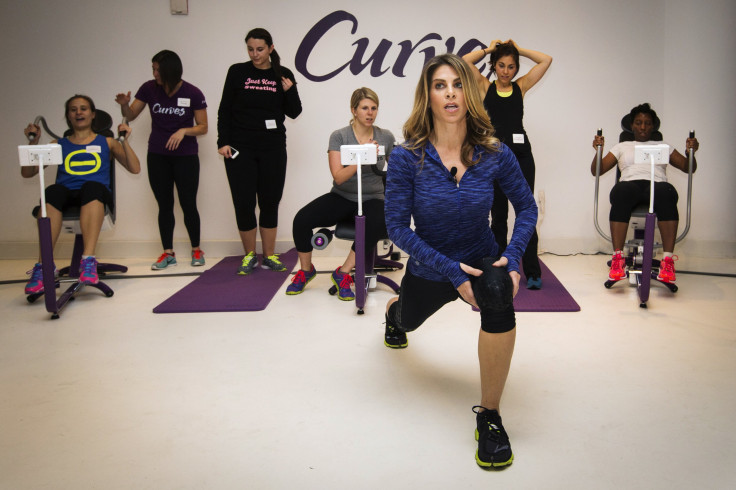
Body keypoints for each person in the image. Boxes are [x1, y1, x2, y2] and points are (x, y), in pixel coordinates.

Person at [383, 54, 537, 468]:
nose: (450, 92)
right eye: (439, 85)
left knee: (499, 292)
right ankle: (393, 314)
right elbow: (397, 228)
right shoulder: (406, 157)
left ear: (469, 93)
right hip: (431, 267)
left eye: (457, 84)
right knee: (407, 320)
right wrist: (452, 272)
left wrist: (512, 258)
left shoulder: (494, 153)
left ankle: (489, 416)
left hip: (481, 255)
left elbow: (527, 208)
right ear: (427, 96)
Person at [22, 94, 141, 293]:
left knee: (92, 187)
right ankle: (43, 267)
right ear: (68, 116)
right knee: (52, 191)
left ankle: (88, 261)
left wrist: (125, 141)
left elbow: (135, 168)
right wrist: (33, 143)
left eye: (84, 108)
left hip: (94, 194)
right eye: (73, 109)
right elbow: (27, 173)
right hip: (66, 195)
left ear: (93, 114)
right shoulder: (57, 144)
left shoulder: (108, 142)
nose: (79, 112)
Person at [285, 87, 394, 300]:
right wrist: (363, 155)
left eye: (373, 108)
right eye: (364, 108)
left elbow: (396, 172)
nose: (370, 113)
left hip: (373, 197)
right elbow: (338, 177)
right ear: (354, 110)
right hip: (343, 195)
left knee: (377, 223)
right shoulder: (339, 136)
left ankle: (342, 272)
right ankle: (306, 271)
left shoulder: (385, 137)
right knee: (302, 219)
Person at [463, 39, 551, 289]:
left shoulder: (520, 87)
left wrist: (517, 49)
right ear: (494, 66)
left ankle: (532, 271)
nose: (506, 71)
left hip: (522, 157)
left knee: (526, 213)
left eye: (511, 66)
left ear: (516, 69)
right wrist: (491, 49)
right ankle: (499, 269)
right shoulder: (484, 87)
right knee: (498, 216)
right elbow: (465, 61)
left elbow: (546, 60)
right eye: (501, 65)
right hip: (493, 158)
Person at [217, 28, 303, 275]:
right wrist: (223, 142)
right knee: (243, 203)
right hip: (239, 148)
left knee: (269, 203)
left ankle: (270, 255)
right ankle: (249, 256)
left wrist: (290, 90)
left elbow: (295, 112)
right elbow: (225, 109)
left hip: (272, 148)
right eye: (250, 49)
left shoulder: (283, 74)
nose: (255, 54)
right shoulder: (237, 72)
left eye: (260, 49)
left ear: (271, 48)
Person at [115, 50, 208, 270]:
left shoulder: (192, 92)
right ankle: (168, 253)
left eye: (158, 69)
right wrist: (123, 105)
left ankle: (196, 249)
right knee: (164, 205)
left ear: (170, 70)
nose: (155, 73)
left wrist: (183, 131)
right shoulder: (149, 89)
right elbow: (130, 116)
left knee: (188, 204)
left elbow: (203, 127)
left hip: (186, 157)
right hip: (157, 156)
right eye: (153, 69)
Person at [591, 103, 699, 283]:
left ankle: (667, 262)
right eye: (639, 122)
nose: (642, 127)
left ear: (653, 126)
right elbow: (597, 170)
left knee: (667, 192)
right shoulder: (622, 146)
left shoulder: (664, 145)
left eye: (647, 123)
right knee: (621, 191)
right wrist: (598, 151)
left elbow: (688, 167)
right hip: (630, 185)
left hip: (657, 185)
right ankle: (618, 260)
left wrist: (691, 152)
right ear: (632, 125)